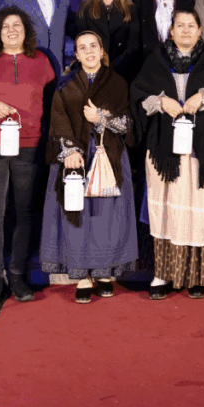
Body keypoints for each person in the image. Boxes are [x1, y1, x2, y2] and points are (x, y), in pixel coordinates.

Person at [130, 9, 204, 300]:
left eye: (191, 25)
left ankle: (197, 275)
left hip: (202, 152)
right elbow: (137, 98)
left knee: (199, 209)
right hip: (164, 151)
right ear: (171, 30)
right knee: (165, 209)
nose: (186, 30)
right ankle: (162, 274)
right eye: (180, 25)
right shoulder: (155, 60)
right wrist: (160, 102)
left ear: (200, 30)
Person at [0, 7, 56, 305]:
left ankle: (17, 274)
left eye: (17, 25)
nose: (12, 30)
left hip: (30, 145)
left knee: (24, 211)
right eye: (5, 26)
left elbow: (53, 99)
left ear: (26, 30)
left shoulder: (41, 61)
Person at [40, 31, 138, 303]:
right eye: (82, 48)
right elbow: (58, 119)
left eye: (93, 46)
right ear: (76, 55)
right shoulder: (65, 84)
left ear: (102, 50)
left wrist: (101, 117)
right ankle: (82, 275)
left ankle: (104, 274)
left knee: (106, 217)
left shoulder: (117, 82)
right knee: (79, 216)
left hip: (108, 156)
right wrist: (69, 151)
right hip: (76, 157)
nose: (89, 51)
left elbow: (128, 124)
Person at [74, 0, 142, 84]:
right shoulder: (85, 8)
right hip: (92, 73)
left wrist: (110, 70)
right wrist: (98, 69)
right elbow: (81, 44)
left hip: (123, 73)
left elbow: (133, 47)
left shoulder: (131, 9)